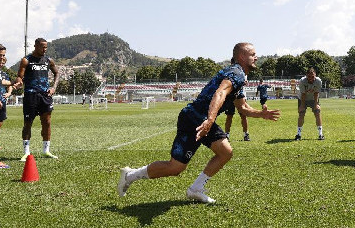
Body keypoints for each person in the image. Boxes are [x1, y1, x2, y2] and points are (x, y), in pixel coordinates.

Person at [117, 43, 280, 204]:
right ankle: (130, 176)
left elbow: (243, 107)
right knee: (175, 168)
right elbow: (220, 93)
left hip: (200, 118)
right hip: (195, 117)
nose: (256, 57)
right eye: (252, 54)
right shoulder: (235, 72)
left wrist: (261, 114)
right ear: (241, 57)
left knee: (221, 153)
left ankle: (195, 189)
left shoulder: (240, 77)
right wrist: (209, 120)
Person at [15, 38, 60, 161]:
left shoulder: (48, 60)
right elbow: (20, 76)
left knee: (47, 122)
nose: (44, 49)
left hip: (45, 96)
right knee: (28, 123)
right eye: (42, 47)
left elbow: (57, 73)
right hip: (31, 96)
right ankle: (26, 152)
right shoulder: (26, 60)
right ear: (35, 46)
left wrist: (53, 87)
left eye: (46, 47)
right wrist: (19, 82)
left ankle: (46, 150)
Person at [295, 68, 324, 140]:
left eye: (313, 77)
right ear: (306, 76)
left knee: (317, 113)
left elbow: (316, 93)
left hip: (313, 98)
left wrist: (316, 104)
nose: (311, 79)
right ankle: (298, 135)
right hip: (302, 98)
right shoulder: (302, 81)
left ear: (315, 75)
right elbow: (303, 94)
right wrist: (302, 106)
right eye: (309, 77)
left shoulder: (318, 81)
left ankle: (320, 134)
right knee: (301, 113)